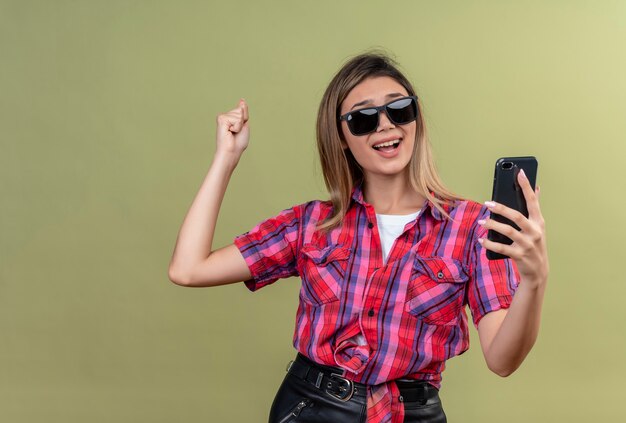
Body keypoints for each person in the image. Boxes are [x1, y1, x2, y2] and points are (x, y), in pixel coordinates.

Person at [168, 52, 549, 423]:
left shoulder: (470, 227)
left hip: (411, 413)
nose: (385, 125)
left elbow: (502, 361)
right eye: (363, 118)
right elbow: (188, 269)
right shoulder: (312, 224)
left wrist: (535, 279)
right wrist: (226, 158)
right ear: (342, 139)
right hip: (311, 409)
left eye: (399, 109)